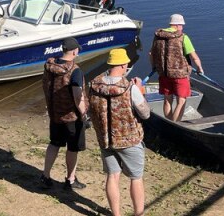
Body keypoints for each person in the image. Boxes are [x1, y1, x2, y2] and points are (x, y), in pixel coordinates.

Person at [89, 48, 150, 216]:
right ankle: (139, 213)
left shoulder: (94, 85)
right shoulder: (130, 88)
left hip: (105, 139)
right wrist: (141, 92)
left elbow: (91, 111)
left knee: (112, 176)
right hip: (129, 140)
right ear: (124, 65)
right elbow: (145, 113)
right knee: (136, 178)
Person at [41, 36, 88, 191]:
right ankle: (70, 179)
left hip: (55, 115)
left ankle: (45, 175)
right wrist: (83, 113)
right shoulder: (75, 71)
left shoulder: (49, 66)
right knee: (72, 148)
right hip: (71, 117)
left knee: (54, 144)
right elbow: (77, 95)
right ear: (74, 52)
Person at [149, 13, 203, 122]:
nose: (182, 28)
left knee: (167, 100)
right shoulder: (183, 37)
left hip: (164, 74)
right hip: (180, 75)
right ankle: (175, 124)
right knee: (181, 101)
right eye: (182, 25)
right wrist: (199, 68)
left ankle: (168, 123)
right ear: (177, 25)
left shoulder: (158, 36)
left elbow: (151, 54)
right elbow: (194, 57)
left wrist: (154, 66)